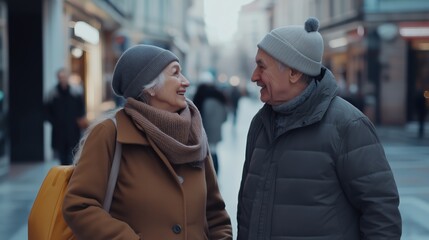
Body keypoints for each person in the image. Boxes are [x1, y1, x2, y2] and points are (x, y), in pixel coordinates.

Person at [237, 17, 402, 239]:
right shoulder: (261, 123)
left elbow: (382, 216)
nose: (254, 77)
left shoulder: (349, 126)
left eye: (261, 66)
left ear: (294, 73)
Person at [63, 44, 232, 239]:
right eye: (175, 74)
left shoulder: (194, 134)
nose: (185, 82)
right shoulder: (110, 133)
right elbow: (79, 205)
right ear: (150, 86)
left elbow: (215, 214)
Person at [45, 68, 86, 165]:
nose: (62, 79)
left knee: (72, 156)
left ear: (68, 78)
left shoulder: (75, 93)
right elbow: (46, 112)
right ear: (58, 78)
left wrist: (79, 120)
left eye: (64, 77)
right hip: (59, 131)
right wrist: (54, 122)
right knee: (61, 158)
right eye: (60, 77)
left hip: (73, 130)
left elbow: (82, 109)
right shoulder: (52, 94)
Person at [193, 80, 228, 174]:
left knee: (208, 153)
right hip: (216, 131)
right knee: (214, 151)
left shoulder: (204, 100)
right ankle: (215, 173)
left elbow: (202, 118)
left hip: (206, 131)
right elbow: (225, 117)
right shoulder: (220, 99)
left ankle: (211, 173)